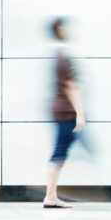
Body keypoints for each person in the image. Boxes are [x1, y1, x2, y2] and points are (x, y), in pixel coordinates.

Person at [42, 17, 86, 209]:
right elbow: (71, 87)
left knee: (61, 152)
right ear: (59, 30)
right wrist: (80, 114)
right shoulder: (64, 58)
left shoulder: (60, 56)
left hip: (60, 111)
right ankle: (50, 196)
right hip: (65, 112)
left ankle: (51, 196)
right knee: (59, 153)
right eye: (65, 27)